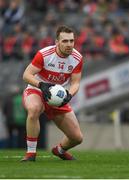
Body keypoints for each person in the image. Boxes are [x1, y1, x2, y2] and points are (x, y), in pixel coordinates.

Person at [21, 25, 83, 161]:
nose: (69, 44)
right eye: (65, 41)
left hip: (58, 96)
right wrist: (41, 85)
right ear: (57, 42)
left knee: (77, 138)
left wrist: (69, 95)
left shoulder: (77, 58)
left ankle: (59, 150)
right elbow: (26, 75)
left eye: (71, 41)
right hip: (37, 89)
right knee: (34, 109)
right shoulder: (44, 54)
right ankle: (31, 153)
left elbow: (76, 83)